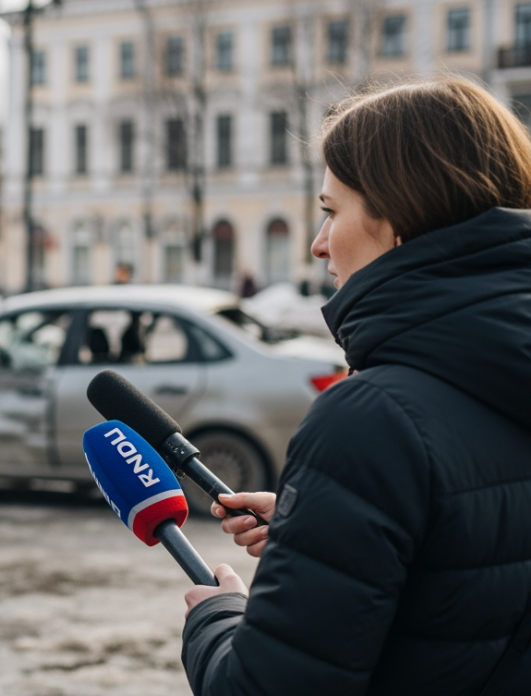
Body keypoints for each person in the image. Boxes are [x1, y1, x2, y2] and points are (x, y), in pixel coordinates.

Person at [181, 78, 531, 694]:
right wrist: (320, 527)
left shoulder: (372, 419)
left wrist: (217, 619)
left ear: (399, 217)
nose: (319, 245)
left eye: (330, 211)